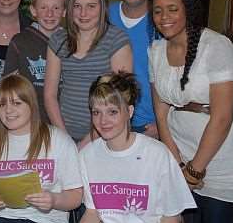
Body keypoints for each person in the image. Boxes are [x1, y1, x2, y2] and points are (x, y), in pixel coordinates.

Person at [148, 0, 233, 222]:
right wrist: (177, 163)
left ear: (188, 10)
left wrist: (193, 171)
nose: (164, 17)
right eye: (157, 11)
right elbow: (161, 115)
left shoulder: (217, 46)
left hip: (221, 161)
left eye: (172, 9)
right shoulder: (156, 51)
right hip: (180, 156)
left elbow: (222, 117)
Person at [79, 72, 196, 223]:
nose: (103, 121)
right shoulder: (88, 155)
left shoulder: (157, 154)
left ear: (129, 111)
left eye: (112, 112)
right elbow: (92, 213)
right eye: (96, 112)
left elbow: (172, 217)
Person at [0, 74, 83, 223]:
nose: (8, 110)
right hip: (1, 218)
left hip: (44, 220)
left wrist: (53, 200)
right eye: (2, 104)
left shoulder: (59, 140)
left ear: (31, 105)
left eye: (16, 103)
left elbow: (76, 195)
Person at [44, 0, 132, 148]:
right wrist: (65, 139)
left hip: (104, 135)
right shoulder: (58, 40)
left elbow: (121, 99)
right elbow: (50, 95)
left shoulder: (116, 40)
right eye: (77, 6)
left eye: (91, 6)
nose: (83, 13)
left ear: (103, 8)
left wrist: (88, 140)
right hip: (64, 133)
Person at [109, 0, 159, 138]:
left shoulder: (163, 22)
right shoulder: (101, 16)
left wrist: (164, 123)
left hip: (148, 128)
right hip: (105, 122)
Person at [4, 0, 68, 124]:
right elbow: (7, 86)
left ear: (64, 11)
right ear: (33, 10)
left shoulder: (72, 42)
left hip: (63, 121)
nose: (50, 14)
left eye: (56, 8)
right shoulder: (20, 42)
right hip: (29, 121)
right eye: (44, 7)